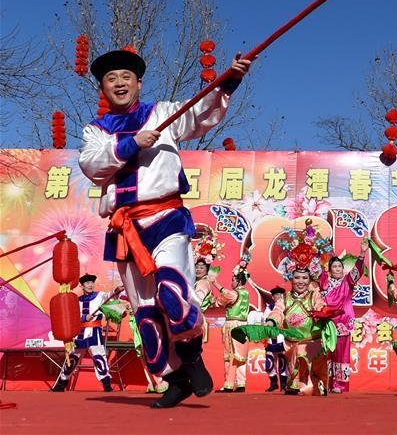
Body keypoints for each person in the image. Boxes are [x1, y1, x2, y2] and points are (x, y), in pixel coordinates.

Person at [79, 48, 251, 408]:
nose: (119, 83)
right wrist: (131, 144)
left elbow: (201, 113)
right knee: (144, 312)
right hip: (125, 229)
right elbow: (92, 164)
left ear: (138, 82)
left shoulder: (161, 114)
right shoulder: (95, 131)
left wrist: (230, 80)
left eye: (126, 76)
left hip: (165, 218)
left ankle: (191, 354)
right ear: (103, 89)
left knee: (172, 291)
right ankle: (176, 378)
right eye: (111, 79)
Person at [50, 274, 124, 392]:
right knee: (72, 358)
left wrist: (116, 290)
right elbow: (73, 316)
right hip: (79, 333)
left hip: (95, 332)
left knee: (99, 358)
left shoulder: (100, 296)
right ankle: (61, 384)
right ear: (82, 286)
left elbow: (109, 295)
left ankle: (106, 385)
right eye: (87, 283)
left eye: (92, 283)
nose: (90, 285)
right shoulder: (76, 301)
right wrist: (84, 317)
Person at [319, 237, 370, 393]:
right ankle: (325, 382)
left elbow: (357, 270)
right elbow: (315, 270)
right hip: (327, 324)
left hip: (342, 323)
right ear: (330, 269)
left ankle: (339, 385)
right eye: (334, 266)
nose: (338, 268)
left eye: (340, 266)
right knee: (327, 355)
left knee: (341, 355)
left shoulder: (348, 281)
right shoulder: (325, 282)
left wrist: (362, 254)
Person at [268, 267, 329, 395]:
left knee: (303, 354)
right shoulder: (285, 298)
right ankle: (298, 385)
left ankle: (311, 385)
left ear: (309, 280)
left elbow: (320, 306)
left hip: (312, 343)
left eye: (304, 278)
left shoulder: (314, 296)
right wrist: (272, 321)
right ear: (291, 280)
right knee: (296, 355)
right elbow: (277, 311)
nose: (301, 281)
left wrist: (322, 312)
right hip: (291, 344)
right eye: (297, 278)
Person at [213, 270, 251, 392]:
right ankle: (241, 383)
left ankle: (228, 384)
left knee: (229, 355)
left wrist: (215, 284)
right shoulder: (246, 293)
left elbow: (225, 298)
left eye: (233, 280)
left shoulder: (235, 294)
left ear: (239, 281)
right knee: (240, 355)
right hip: (244, 325)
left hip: (233, 324)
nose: (231, 282)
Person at [263, 287, 288, 392]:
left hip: (282, 338)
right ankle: (273, 383)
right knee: (269, 361)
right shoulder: (269, 308)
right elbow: (265, 319)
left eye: (281, 295)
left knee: (283, 361)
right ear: (273, 297)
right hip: (270, 338)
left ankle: (283, 384)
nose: (279, 297)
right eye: (276, 295)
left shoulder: (287, 307)